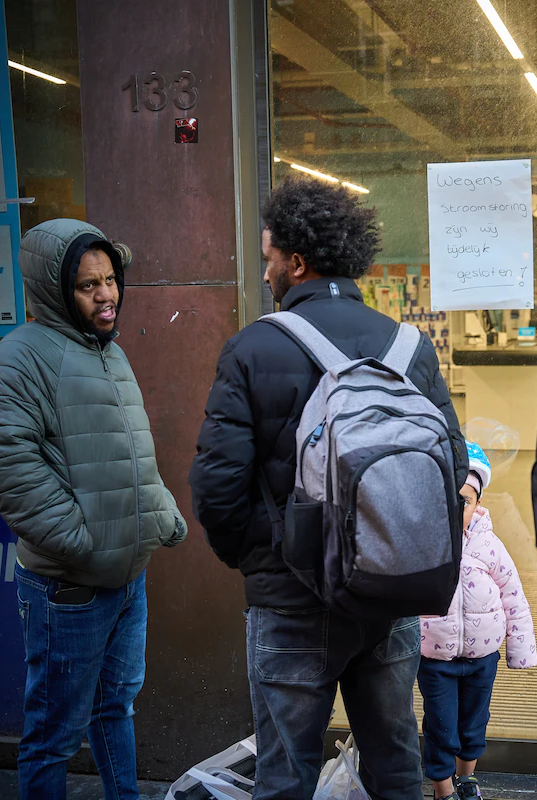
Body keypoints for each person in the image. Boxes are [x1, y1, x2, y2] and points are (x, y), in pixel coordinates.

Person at [189, 176, 467, 800]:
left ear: (296, 261)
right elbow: (451, 467)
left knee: (285, 772)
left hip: (290, 604)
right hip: (388, 594)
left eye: (268, 260)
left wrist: (274, 559)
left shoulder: (253, 348)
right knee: (395, 765)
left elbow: (217, 487)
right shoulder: (409, 348)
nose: (266, 274)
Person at [0, 219, 188, 800]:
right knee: (53, 736)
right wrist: (81, 540)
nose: (106, 294)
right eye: (88, 285)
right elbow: (5, 465)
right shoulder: (20, 358)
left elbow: (129, 452)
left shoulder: (108, 353)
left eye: (111, 280)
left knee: (114, 710)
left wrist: (160, 514)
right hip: (67, 589)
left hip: (127, 580)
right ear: (55, 291)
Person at [418, 443, 537, 800]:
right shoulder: (424, 544)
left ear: (478, 504)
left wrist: (520, 650)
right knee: (441, 728)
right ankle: (442, 789)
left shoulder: (489, 546)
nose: (456, 509)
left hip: (483, 658)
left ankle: (466, 779)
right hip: (436, 660)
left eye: (465, 501)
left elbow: (514, 597)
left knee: (473, 726)